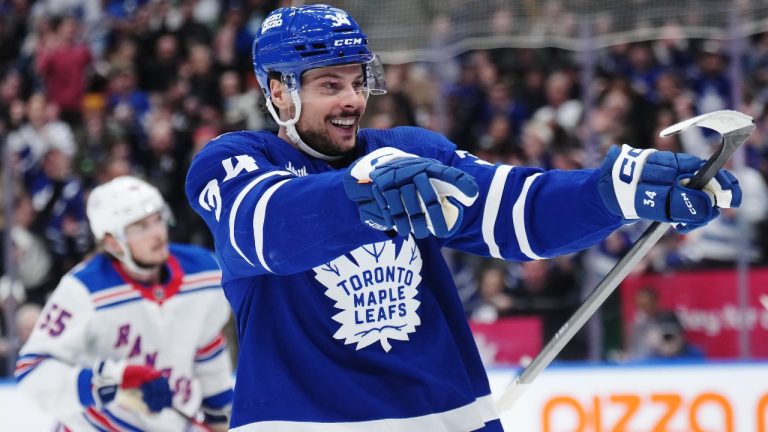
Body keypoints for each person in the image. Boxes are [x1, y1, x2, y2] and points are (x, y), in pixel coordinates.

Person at [184, 5, 742, 431]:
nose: (353, 99)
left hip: (443, 416)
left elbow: (515, 211)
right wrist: (358, 196)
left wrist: (611, 193)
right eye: (330, 85)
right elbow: (265, 231)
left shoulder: (407, 149)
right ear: (279, 94)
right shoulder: (234, 161)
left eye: (358, 82)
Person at [16, 176, 234, 431]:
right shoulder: (83, 290)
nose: (157, 234)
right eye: (140, 226)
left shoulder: (204, 273)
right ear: (111, 242)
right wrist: (113, 382)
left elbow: (207, 348)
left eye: (157, 219)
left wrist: (220, 416)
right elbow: (33, 372)